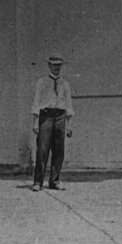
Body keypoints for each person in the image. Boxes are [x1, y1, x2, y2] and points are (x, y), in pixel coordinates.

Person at [30, 54, 74, 191]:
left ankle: (55, 181)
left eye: (59, 65)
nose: (57, 68)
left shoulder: (65, 84)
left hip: (60, 117)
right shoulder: (41, 82)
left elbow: (68, 105)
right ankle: (38, 182)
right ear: (49, 66)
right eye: (54, 65)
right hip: (46, 116)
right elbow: (36, 102)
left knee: (59, 150)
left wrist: (69, 126)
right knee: (42, 149)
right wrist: (36, 123)